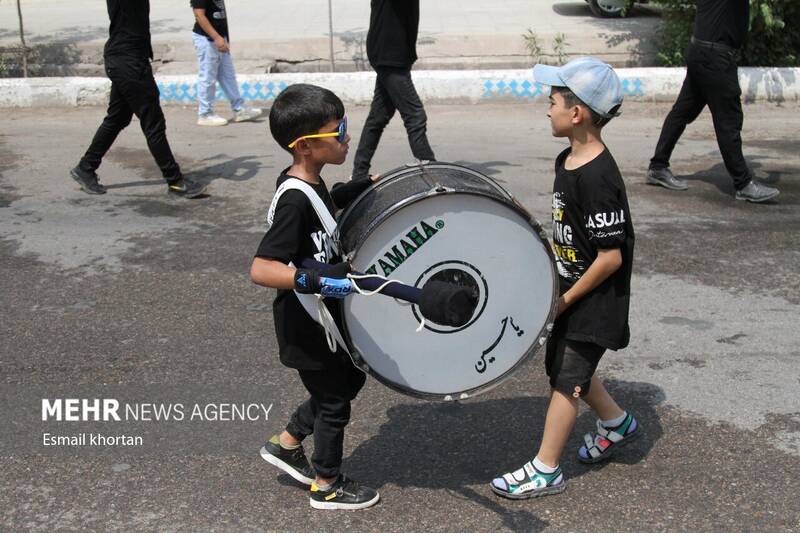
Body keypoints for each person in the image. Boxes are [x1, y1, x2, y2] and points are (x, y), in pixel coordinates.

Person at [491, 57, 640, 499]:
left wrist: (565, 299)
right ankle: (616, 423)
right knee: (560, 365)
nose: (547, 109)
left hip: (595, 296)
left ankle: (546, 468)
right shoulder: (568, 159)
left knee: (567, 378)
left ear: (577, 114)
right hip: (572, 287)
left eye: (552, 100)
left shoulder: (597, 177)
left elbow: (610, 257)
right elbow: (572, 229)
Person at [250, 84, 381, 510]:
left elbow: (320, 211)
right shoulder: (293, 200)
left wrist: (352, 190)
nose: (347, 136)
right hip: (306, 323)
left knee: (350, 378)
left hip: (319, 320)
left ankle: (286, 443)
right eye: (338, 129)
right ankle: (327, 483)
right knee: (334, 401)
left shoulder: (307, 180)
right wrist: (315, 279)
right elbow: (262, 268)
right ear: (306, 145)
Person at [646, 0, 779, 203]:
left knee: (681, 113)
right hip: (715, 58)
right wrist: (775, 176)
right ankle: (743, 184)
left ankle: (658, 167)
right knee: (729, 121)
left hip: (700, 51)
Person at [70, 0, 205, 198]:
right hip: (129, 63)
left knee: (118, 118)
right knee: (153, 123)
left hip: (126, 60)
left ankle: (85, 167)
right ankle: (175, 181)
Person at [351, 0, 435, 181]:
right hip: (390, 56)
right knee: (415, 116)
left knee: (378, 117)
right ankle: (431, 172)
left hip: (393, 55)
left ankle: (358, 174)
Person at [190, 0, 262, 126]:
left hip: (220, 38)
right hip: (207, 40)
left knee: (228, 76)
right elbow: (199, 15)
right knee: (208, 77)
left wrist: (222, 38)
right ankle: (205, 114)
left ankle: (239, 109)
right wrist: (216, 37)